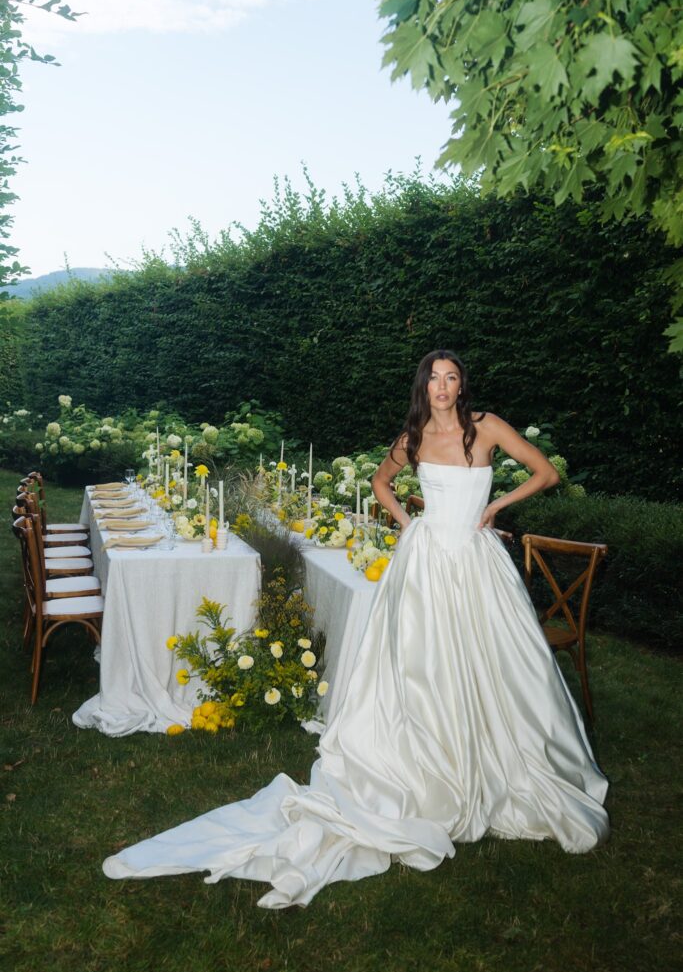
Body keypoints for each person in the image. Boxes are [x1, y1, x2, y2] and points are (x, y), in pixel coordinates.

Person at [103, 349, 609, 908]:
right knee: (423, 663)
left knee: (497, 660)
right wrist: (409, 522)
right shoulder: (412, 437)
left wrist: (495, 509)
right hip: (424, 561)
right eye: (434, 379)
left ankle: (498, 756)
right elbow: (380, 482)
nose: (443, 387)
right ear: (424, 388)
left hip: (476, 561)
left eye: (452, 378)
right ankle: (432, 758)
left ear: (462, 386)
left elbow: (546, 472)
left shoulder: (485, 426)